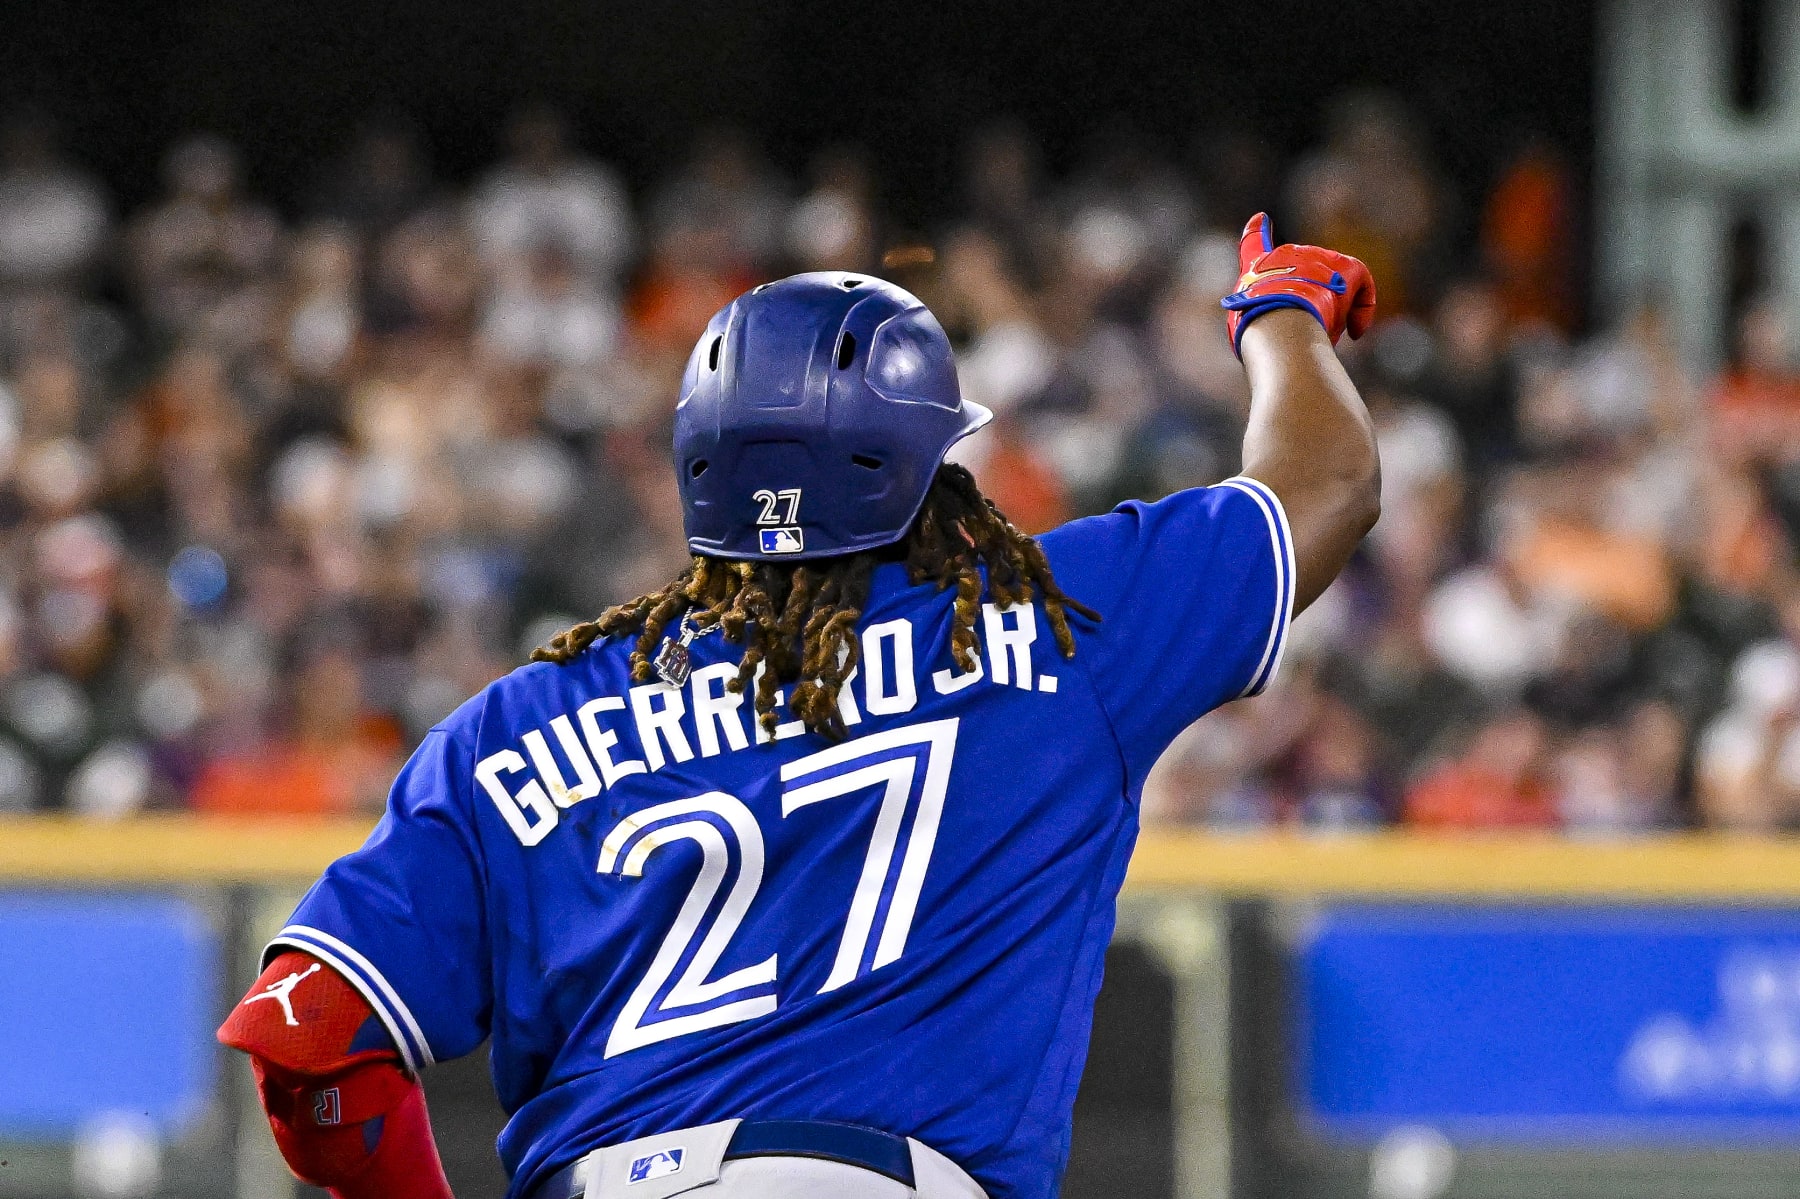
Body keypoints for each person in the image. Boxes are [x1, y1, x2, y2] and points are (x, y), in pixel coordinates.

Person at [217, 213, 1378, 1199]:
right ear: (923, 464)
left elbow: (313, 1039)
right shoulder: (1052, 622)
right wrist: (1278, 313)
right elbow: (1325, 480)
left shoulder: (512, 726)